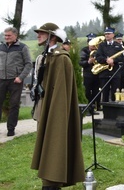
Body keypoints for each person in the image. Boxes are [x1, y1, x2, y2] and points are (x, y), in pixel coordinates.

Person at [31, 22, 85, 188]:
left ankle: (52, 179)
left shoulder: (61, 59)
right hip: (46, 108)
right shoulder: (48, 56)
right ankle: (49, 179)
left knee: (55, 142)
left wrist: (56, 115)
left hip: (56, 112)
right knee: (47, 143)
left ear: (52, 36)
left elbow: (61, 93)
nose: (38, 35)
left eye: (42, 33)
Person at [0, 27, 32, 136]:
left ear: (15, 35)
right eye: (5, 35)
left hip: (15, 81)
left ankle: (11, 129)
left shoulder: (22, 47)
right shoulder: (1, 47)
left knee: (14, 105)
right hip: (1, 79)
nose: (6, 37)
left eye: (8, 35)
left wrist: (21, 77)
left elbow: (28, 64)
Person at [95, 27, 124, 102]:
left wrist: (113, 60)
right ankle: (106, 112)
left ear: (113, 35)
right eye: (105, 34)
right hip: (104, 73)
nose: (107, 35)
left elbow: (122, 57)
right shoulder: (101, 46)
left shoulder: (118, 45)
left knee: (115, 93)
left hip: (115, 73)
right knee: (105, 94)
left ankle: (115, 112)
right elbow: (98, 57)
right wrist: (106, 60)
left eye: (108, 34)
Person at [79, 33, 101, 112]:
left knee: (96, 91)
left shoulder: (99, 50)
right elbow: (81, 62)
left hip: (97, 74)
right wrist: (88, 62)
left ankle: (96, 106)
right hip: (88, 74)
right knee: (87, 91)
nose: (92, 46)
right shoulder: (84, 50)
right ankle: (88, 108)